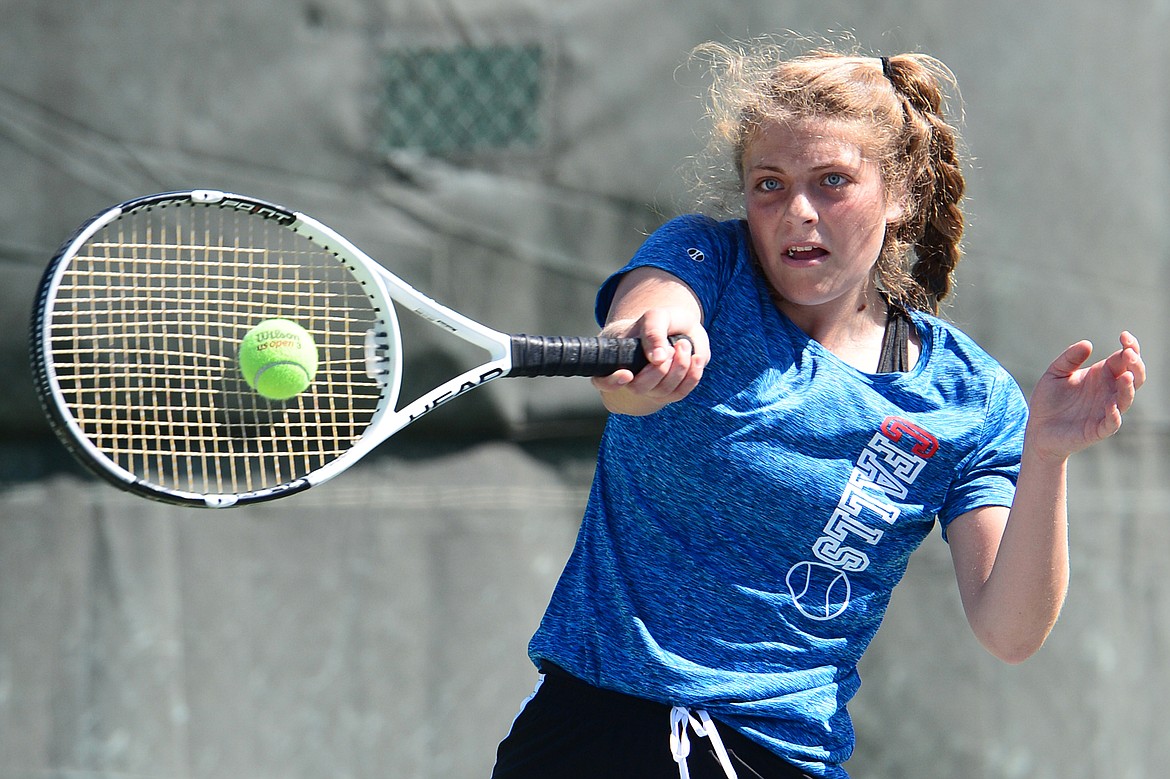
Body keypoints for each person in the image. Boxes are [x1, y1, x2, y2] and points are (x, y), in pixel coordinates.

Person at [490, 38, 1146, 779]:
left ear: (900, 196)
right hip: (590, 734)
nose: (797, 210)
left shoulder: (970, 399)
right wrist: (647, 349)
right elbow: (639, 336)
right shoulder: (707, 261)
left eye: (832, 181)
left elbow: (1010, 629)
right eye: (769, 184)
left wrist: (1048, 457)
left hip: (778, 757)